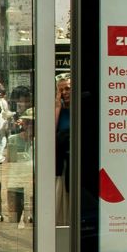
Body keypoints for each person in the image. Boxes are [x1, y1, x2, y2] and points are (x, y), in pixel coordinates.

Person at [54, 72, 72, 228]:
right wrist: (58, 106)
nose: (65, 93)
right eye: (61, 90)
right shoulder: (58, 110)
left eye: (67, 89)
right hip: (61, 163)